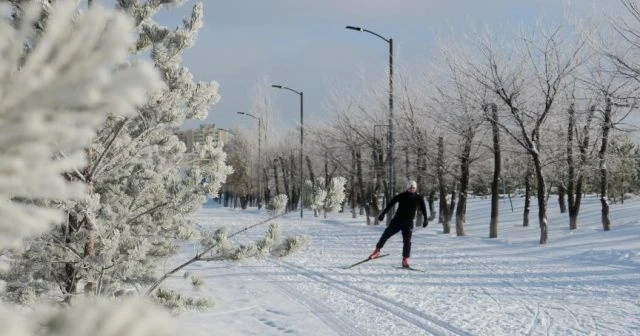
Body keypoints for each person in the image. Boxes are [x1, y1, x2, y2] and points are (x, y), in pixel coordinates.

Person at [368, 180, 428, 268]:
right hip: (397, 221)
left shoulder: (419, 198)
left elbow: (423, 209)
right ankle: (377, 251)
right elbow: (390, 204)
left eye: (413, 188)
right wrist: (383, 213)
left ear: (416, 188)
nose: (412, 189)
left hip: (408, 223)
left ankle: (405, 259)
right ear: (407, 188)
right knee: (385, 235)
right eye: (410, 187)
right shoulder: (401, 196)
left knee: (407, 242)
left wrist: (425, 219)